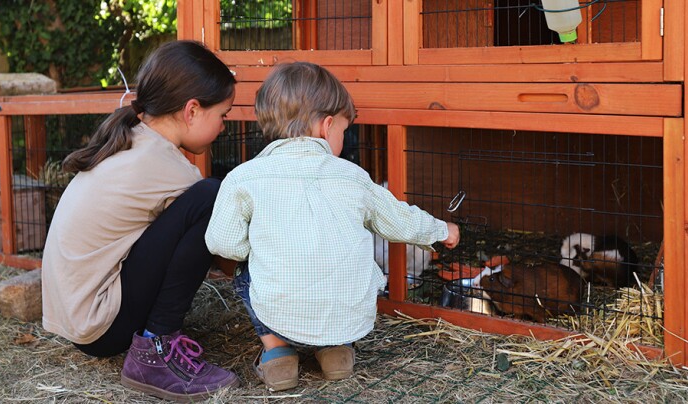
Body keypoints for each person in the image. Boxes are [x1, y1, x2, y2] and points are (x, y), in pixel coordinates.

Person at [204, 62, 461, 391]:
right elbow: (399, 219)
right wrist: (442, 231)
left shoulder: (244, 177)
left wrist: (260, 248)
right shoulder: (352, 177)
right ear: (326, 127)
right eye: (343, 129)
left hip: (279, 309)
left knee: (247, 270)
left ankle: (278, 352)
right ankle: (336, 351)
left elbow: (221, 242)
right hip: (349, 315)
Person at [40, 40, 239, 402]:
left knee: (202, 201)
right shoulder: (166, 166)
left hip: (80, 324)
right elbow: (227, 248)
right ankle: (155, 351)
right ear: (192, 110)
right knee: (210, 197)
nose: (224, 126)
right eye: (223, 115)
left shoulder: (132, 139)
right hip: (101, 326)